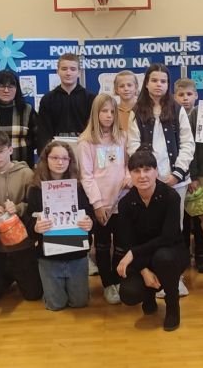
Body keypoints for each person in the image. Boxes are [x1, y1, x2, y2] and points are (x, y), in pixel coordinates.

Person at [127, 64, 195, 298]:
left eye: (163, 81)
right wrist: (148, 175)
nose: (159, 85)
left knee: (175, 230)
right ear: (146, 83)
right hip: (148, 181)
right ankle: (154, 277)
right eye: (154, 80)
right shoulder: (137, 111)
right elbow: (133, 146)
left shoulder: (177, 109)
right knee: (150, 230)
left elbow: (187, 143)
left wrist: (177, 173)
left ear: (168, 85)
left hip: (175, 180)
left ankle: (175, 278)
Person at [114, 150, 189, 331]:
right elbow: (127, 241)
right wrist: (143, 270)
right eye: (136, 171)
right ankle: (148, 295)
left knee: (163, 258)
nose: (142, 176)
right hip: (142, 257)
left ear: (156, 171)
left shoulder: (171, 196)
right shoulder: (125, 203)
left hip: (171, 252)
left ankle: (173, 306)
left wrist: (133, 253)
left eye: (147, 170)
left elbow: (168, 237)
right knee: (129, 294)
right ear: (130, 174)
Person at [24, 141, 96, 311]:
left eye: (65, 158)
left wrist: (89, 223)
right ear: (45, 159)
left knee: (80, 303)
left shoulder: (78, 187)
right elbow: (28, 220)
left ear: (70, 161)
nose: (60, 162)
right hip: (49, 255)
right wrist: (35, 227)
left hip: (76, 253)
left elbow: (89, 215)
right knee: (56, 305)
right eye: (55, 157)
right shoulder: (35, 189)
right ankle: (51, 290)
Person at [0, 131, 42, 302]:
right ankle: (8, 275)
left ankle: (18, 273)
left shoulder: (26, 174)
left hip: (22, 242)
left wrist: (18, 207)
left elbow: (35, 205)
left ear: (10, 150)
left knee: (33, 294)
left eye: (0, 151)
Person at [79, 94, 131, 304]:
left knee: (121, 243)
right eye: (104, 111)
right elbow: (86, 176)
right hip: (100, 204)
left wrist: (128, 177)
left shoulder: (122, 137)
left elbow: (127, 165)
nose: (109, 115)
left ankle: (118, 280)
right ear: (96, 113)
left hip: (121, 202)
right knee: (101, 245)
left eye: (112, 111)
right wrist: (98, 204)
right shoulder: (86, 141)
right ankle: (107, 283)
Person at [173, 78, 203, 274]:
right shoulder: (172, 117)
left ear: (196, 95)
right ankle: (184, 254)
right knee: (183, 219)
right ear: (174, 97)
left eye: (189, 94)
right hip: (179, 175)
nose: (185, 99)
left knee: (200, 217)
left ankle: (201, 254)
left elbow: (198, 149)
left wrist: (195, 176)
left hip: (198, 174)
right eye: (181, 95)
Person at [0, 70, 38, 169]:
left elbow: (37, 139)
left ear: (17, 89)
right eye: (1, 86)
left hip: (23, 168)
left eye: (10, 87)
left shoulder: (27, 110)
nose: (6, 90)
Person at [36, 53, 96, 151]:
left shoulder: (91, 98)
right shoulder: (48, 99)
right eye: (64, 69)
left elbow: (94, 128)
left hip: (84, 149)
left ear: (79, 72)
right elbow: (43, 132)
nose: (68, 73)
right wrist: (46, 153)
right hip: (56, 151)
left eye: (73, 69)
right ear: (57, 71)